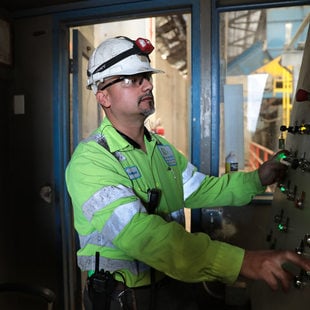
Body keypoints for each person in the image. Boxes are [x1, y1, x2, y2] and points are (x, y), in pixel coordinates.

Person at [65, 36, 310, 310]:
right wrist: (241, 261)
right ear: (103, 95)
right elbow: (143, 236)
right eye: (132, 79)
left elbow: (201, 189)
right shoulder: (91, 161)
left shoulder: (162, 150)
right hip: (124, 297)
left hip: (174, 283)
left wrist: (257, 179)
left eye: (146, 76)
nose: (147, 85)